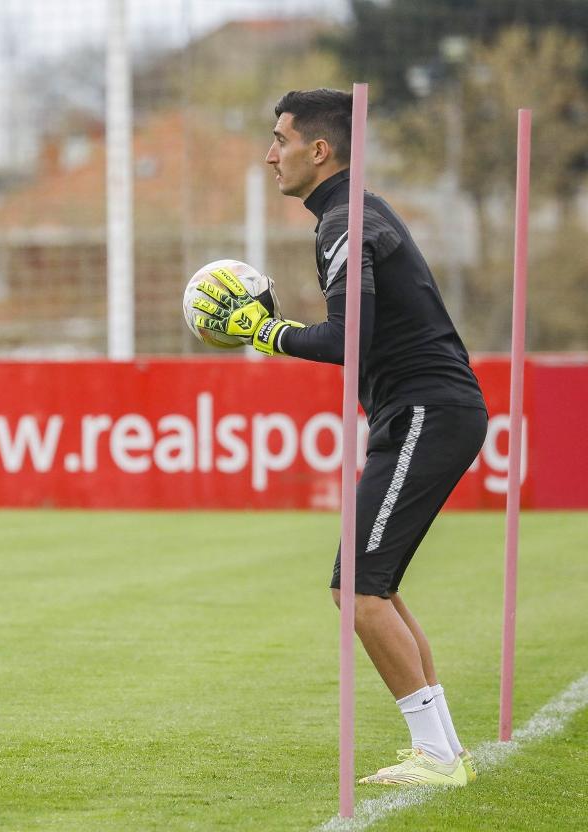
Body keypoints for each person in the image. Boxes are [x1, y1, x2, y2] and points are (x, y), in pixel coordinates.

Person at [192, 88, 488, 787]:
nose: (270, 155)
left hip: (425, 410)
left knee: (357, 589)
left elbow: (346, 340)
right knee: (372, 585)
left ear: (318, 150)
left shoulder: (346, 220)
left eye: (279, 139)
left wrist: (264, 332)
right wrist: (276, 330)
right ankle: (445, 748)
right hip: (416, 411)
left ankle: (439, 758)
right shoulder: (347, 215)